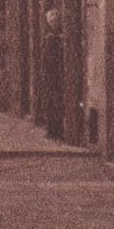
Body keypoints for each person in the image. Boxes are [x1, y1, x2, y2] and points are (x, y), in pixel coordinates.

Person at [39, 8, 65, 140]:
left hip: (58, 75)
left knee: (56, 102)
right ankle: (52, 130)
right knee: (50, 102)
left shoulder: (58, 36)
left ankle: (56, 130)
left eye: (56, 21)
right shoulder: (49, 37)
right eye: (52, 21)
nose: (55, 23)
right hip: (50, 75)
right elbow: (45, 58)